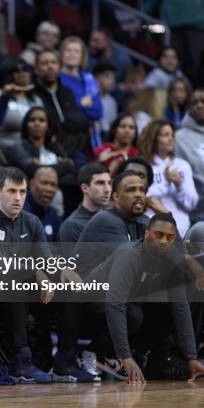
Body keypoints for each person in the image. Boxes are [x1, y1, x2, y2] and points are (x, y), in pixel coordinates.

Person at [84, 213, 204, 383]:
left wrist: (192, 357)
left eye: (170, 237)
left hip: (121, 310)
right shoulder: (129, 254)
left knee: (166, 314)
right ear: (147, 233)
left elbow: (180, 307)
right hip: (87, 307)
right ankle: (96, 353)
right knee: (133, 314)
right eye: (159, 235)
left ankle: (126, 355)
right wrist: (125, 356)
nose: (164, 241)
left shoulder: (172, 260)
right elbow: (115, 304)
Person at [0, 166, 54, 383]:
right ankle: (20, 360)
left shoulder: (32, 222)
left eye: (22, 192)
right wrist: (35, 271)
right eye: (12, 191)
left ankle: (65, 358)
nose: (18, 197)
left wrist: (49, 274)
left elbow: (47, 262)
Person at [32, 50, 91, 168]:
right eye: (45, 63)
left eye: (54, 62)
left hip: (75, 148)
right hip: (47, 150)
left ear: (59, 67)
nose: (50, 66)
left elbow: (82, 121)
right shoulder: (33, 95)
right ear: (36, 69)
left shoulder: (67, 93)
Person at [139, 120, 198, 237]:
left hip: (182, 232)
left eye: (172, 135)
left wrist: (179, 185)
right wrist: (165, 183)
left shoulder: (182, 165)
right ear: (154, 138)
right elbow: (143, 198)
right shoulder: (142, 165)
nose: (171, 139)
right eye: (165, 135)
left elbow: (191, 203)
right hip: (152, 231)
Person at [0, 58, 42, 167]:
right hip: (4, 155)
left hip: (33, 154)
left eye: (26, 70)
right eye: (17, 71)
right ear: (8, 73)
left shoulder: (36, 100)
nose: (23, 74)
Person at [59, 36, 103, 151]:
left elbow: (97, 112)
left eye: (76, 51)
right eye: (68, 50)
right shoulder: (57, 79)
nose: (72, 54)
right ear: (62, 54)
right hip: (67, 134)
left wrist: (78, 103)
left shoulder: (89, 79)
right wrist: (83, 103)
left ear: (82, 56)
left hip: (88, 136)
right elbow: (67, 107)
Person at [58, 163, 111, 244]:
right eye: (100, 183)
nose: (107, 189)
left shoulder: (114, 217)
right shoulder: (72, 226)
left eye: (109, 183)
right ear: (85, 188)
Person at [175, 88, 204, 224]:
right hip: (196, 212)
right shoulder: (179, 138)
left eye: (203, 101)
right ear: (189, 108)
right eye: (195, 102)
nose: (199, 105)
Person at [24, 166, 62, 242]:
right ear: (32, 184)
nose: (49, 189)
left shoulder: (53, 214)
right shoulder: (19, 211)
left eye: (53, 185)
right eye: (44, 183)